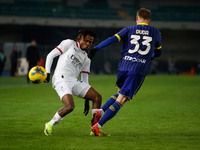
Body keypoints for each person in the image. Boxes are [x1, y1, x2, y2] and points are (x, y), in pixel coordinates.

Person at [89, 8, 162, 136]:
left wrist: (97, 47)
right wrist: (150, 55)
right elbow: (158, 52)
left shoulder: (128, 30)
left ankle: (100, 111)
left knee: (120, 94)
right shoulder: (155, 32)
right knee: (122, 100)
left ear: (137, 18)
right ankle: (97, 127)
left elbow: (112, 39)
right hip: (138, 69)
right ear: (149, 20)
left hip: (124, 66)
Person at [44, 29, 103, 136]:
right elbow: (50, 55)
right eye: (86, 40)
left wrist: (87, 100)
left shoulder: (86, 58)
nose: (88, 43)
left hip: (73, 81)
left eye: (90, 42)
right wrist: (47, 73)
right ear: (80, 38)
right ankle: (50, 124)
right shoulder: (69, 44)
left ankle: (94, 129)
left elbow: (85, 80)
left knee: (97, 97)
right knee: (70, 107)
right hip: (60, 79)